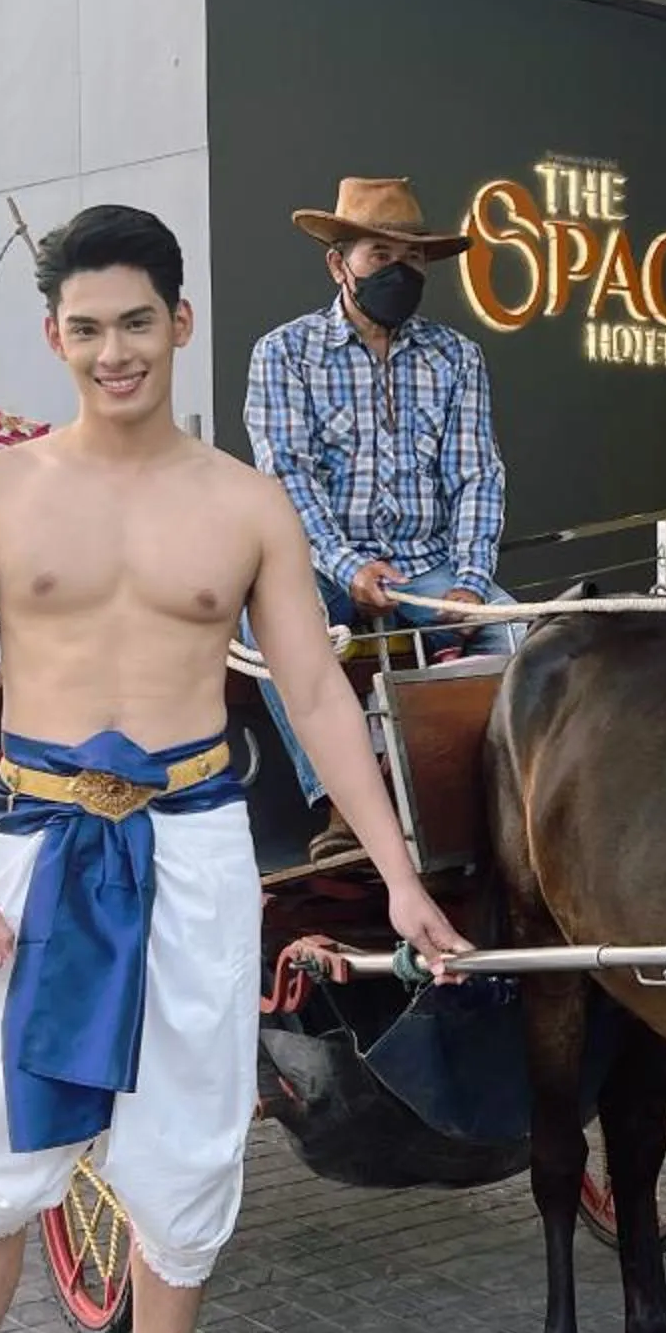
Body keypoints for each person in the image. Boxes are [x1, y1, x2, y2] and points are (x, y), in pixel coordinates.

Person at [0, 203, 470, 1333]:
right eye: (86, 327)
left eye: (139, 321)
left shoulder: (247, 502)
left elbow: (312, 689)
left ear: (181, 324)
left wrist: (401, 874)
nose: (113, 349)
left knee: (188, 1154)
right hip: (35, 846)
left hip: (191, 846)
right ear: (56, 337)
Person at [244, 177, 515, 858]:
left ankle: (502, 805)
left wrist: (472, 586)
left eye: (413, 259)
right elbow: (288, 482)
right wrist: (349, 566)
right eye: (379, 255)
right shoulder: (284, 354)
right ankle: (343, 807)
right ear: (340, 264)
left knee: (524, 639)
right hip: (323, 565)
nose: (399, 272)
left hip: (429, 563)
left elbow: (476, 475)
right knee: (278, 621)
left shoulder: (458, 356)